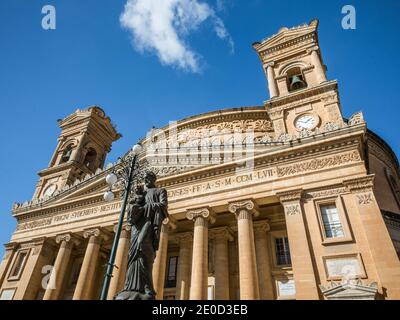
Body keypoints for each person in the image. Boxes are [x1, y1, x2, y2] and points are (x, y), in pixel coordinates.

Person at [114, 171, 168, 300]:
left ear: (154, 179)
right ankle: (130, 286)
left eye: (149, 177)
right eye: (145, 178)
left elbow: (163, 206)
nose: (146, 180)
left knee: (142, 248)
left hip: (149, 222)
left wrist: (146, 207)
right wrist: (135, 203)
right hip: (137, 225)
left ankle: (148, 287)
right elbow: (130, 209)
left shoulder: (160, 191)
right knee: (133, 255)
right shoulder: (139, 192)